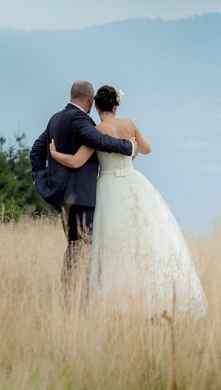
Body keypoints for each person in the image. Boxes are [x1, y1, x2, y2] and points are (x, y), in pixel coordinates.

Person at [49, 85, 207, 318]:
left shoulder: (97, 130)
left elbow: (75, 162)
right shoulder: (129, 124)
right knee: (145, 240)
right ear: (116, 105)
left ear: (97, 106)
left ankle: (117, 305)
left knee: (112, 245)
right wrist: (131, 155)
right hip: (134, 182)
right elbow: (146, 148)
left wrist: (55, 155)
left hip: (109, 187)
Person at [30, 80, 135, 295]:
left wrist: (41, 179)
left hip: (63, 199)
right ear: (89, 99)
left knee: (75, 247)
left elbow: (35, 151)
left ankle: (73, 295)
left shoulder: (55, 119)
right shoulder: (79, 118)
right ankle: (76, 298)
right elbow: (98, 139)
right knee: (81, 249)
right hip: (82, 199)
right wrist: (128, 146)